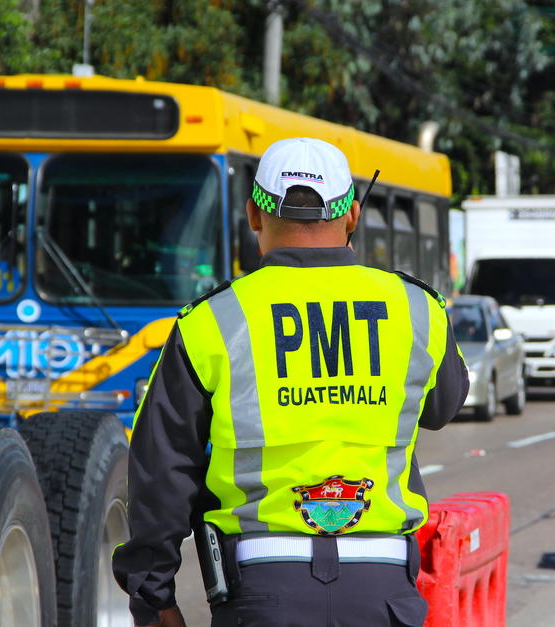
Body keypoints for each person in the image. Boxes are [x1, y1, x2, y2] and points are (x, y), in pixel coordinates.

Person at [112, 137, 469, 627]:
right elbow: (444, 406)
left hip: (259, 591)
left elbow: (161, 468)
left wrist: (153, 597)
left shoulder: (212, 320)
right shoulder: (415, 307)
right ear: (353, 215)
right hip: (383, 593)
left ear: (253, 216)